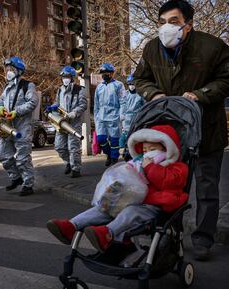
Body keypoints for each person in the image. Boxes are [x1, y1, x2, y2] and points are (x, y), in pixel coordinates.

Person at [133, 0, 229, 260]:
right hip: (172, 135)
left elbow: (226, 79)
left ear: (188, 25)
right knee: (170, 187)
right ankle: (170, 236)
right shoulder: (152, 48)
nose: (166, 27)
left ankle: (203, 239)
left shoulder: (213, 47)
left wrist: (199, 95)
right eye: (162, 22)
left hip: (207, 130)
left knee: (206, 189)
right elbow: (140, 79)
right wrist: (153, 94)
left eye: (173, 22)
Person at [47, 125, 189, 251]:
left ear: (166, 149)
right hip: (131, 199)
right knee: (104, 208)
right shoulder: (139, 163)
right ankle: (71, 226)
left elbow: (169, 182)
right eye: (144, 150)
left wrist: (151, 168)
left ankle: (108, 233)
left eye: (152, 149)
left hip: (152, 206)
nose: (147, 153)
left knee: (130, 212)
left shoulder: (177, 167)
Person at [0, 56, 39, 196]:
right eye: (7, 68)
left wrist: (17, 112)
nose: (8, 71)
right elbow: (0, 101)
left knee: (22, 158)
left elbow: (32, 102)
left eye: (11, 69)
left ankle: (28, 184)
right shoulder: (7, 87)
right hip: (7, 127)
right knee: (3, 154)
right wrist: (0, 108)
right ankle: (16, 177)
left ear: (19, 71)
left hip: (22, 127)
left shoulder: (28, 85)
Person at [53, 66, 88, 178]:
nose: (65, 79)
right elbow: (57, 103)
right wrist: (52, 108)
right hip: (62, 122)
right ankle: (68, 162)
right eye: (63, 77)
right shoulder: (60, 90)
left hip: (74, 122)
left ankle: (75, 168)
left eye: (67, 77)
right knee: (59, 146)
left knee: (73, 147)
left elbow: (83, 105)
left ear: (72, 77)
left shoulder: (79, 90)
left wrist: (73, 113)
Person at [94, 63, 126, 166]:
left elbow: (123, 101)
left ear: (111, 73)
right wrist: (96, 117)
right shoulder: (99, 87)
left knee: (114, 140)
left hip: (114, 115)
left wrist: (122, 114)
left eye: (106, 73)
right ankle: (108, 154)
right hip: (101, 116)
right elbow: (96, 103)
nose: (104, 75)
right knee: (101, 139)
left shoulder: (119, 85)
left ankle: (114, 158)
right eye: (102, 73)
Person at [119, 74, 145, 149]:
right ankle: (126, 151)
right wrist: (121, 114)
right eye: (130, 84)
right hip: (126, 119)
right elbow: (122, 104)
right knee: (123, 140)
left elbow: (144, 105)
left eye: (133, 84)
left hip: (136, 118)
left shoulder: (140, 95)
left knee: (134, 137)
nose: (131, 85)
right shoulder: (125, 94)